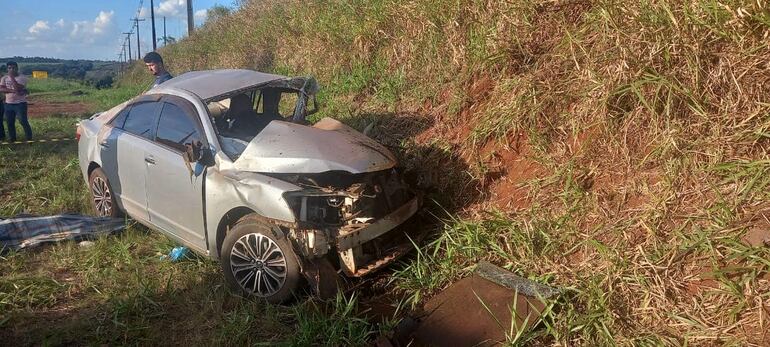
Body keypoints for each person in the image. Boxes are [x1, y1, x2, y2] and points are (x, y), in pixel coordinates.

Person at [0, 61, 31, 142]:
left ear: (17, 68)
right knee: (9, 123)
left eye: (13, 68)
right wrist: (13, 91)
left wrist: (11, 77)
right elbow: (1, 89)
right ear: (7, 68)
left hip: (20, 104)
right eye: (9, 68)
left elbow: (18, 88)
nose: (11, 69)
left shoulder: (22, 77)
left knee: (22, 121)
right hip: (8, 104)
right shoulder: (4, 78)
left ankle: (29, 139)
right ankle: (12, 139)